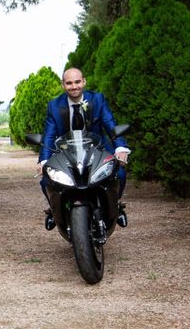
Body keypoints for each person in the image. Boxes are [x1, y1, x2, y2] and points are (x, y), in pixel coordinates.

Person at [38, 67, 129, 229]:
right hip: (66, 152)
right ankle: (54, 212)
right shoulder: (54, 106)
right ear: (63, 85)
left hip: (97, 149)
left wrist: (120, 148)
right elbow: (49, 135)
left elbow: (110, 124)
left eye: (77, 82)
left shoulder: (98, 100)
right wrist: (43, 160)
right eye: (69, 83)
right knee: (46, 180)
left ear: (84, 82)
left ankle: (115, 206)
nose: (74, 86)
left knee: (119, 173)